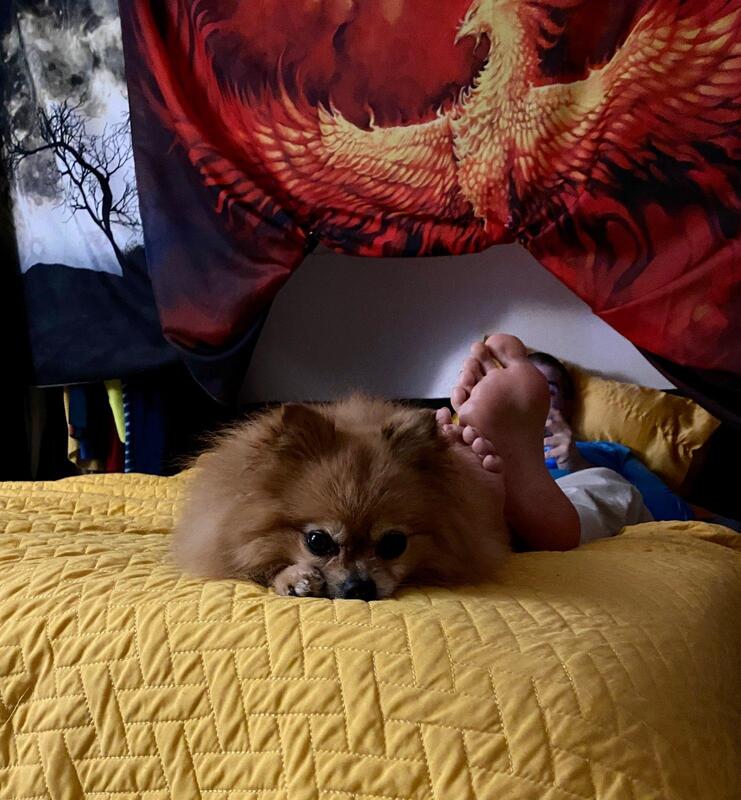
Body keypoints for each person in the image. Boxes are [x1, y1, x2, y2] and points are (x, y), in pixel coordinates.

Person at [436, 334, 656, 550]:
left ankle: (538, 520)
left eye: (548, 391)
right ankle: (504, 512)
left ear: (568, 404)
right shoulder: (476, 446)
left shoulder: (608, 451)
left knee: (609, 483)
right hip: (496, 485)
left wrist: (576, 462)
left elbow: (665, 508)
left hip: (566, 493)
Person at [528, 351, 696, 522]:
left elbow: (675, 519)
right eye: (525, 389)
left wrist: (578, 467)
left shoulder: (611, 453)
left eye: (549, 391)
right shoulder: (508, 457)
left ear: (568, 405)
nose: (534, 398)